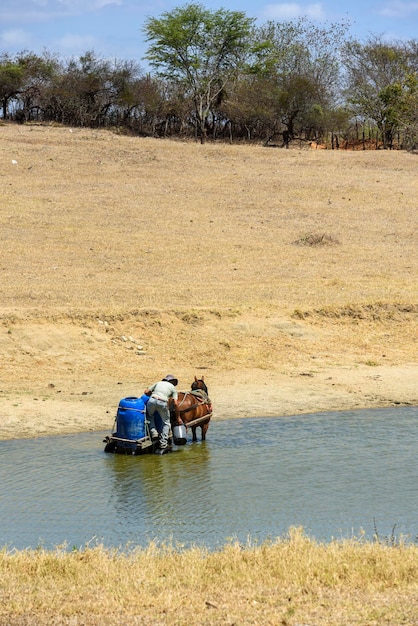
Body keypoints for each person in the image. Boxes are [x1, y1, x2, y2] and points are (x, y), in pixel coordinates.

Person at [144, 374, 178, 452]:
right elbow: (175, 403)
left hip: (152, 400)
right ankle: (163, 444)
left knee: (150, 416)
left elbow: (146, 392)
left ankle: (154, 433)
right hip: (163, 402)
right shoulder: (173, 388)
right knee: (166, 423)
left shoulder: (158, 383)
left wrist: (152, 394)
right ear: (172, 382)